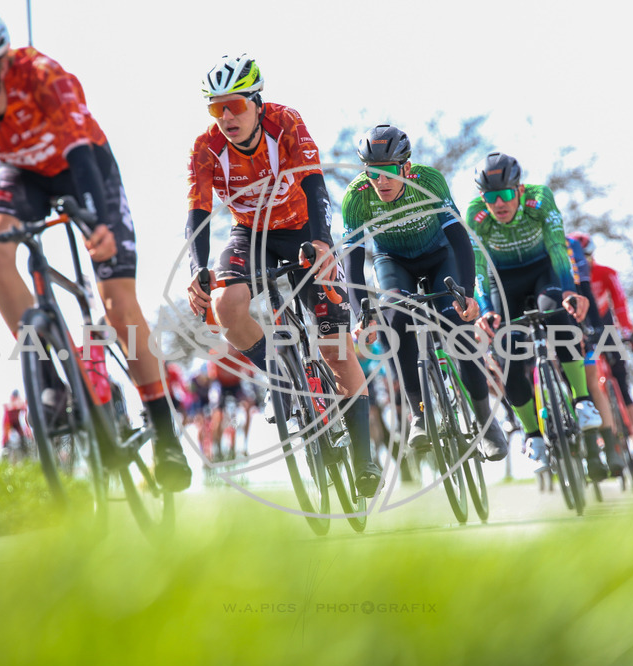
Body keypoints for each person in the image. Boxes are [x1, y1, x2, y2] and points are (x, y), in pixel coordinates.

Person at [0, 8, 189, 489]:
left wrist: (98, 224)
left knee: (118, 303)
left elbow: (79, 151)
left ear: (1, 65)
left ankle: (165, 433)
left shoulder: (43, 77)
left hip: (83, 166)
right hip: (22, 174)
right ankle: (49, 381)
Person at [183, 54, 382, 497]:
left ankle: (365, 457)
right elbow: (197, 212)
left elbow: (315, 185)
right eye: (217, 108)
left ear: (256, 101)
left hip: (301, 229)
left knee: (334, 344)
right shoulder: (206, 147)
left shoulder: (286, 123)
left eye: (235, 105)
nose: (227, 116)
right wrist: (198, 270)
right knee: (224, 303)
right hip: (249, 234)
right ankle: (282, 377)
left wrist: (323, 242)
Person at [342, 125, 510, 461]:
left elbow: (461, 241)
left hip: (440, 256)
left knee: (456, 328)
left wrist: (468, 295)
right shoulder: (356, 197)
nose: (381, 181)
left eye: (388, 171)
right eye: (373, 173)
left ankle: (484, 420)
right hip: (393, 262)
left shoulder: (429, 181)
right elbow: (353, 259)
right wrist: (361, 313)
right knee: (395, 318)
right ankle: (419, 413)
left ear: (405, 167)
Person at [466, 153, 604, 478]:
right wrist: (486, 311)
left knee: (556, 314)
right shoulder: (476, 214)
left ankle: (583, 401)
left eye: (505, 195)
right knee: (507, 352)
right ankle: (533, 437)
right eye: (490, 197)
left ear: (519, 189)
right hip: (504, 282)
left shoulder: (540, 198)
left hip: (543, 272)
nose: (498, 203)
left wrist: (570, 290)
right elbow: (479, 267)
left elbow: (557, 245)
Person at [575, 233, 633, 469]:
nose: (584, 260)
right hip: (580, 327)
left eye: (587, 256)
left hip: (606, 326)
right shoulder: (571, 277)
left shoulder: (606, 273)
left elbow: (620, 303)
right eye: (579, 257)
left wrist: (628, 333)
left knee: (621, 382)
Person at [1, 389, 30, 455]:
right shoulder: (11, 402)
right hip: (8, 422)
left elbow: (24, 410)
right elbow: (7, 406)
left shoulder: (19, 401)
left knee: (23, 436)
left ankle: (25, 451)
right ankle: (5, 450)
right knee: (6, 438)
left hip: (16, 423)